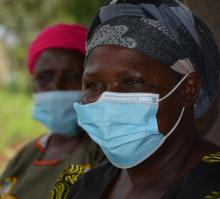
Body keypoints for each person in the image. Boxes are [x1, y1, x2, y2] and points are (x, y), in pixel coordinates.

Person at [62, 1, 220, 199]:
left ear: (188, 90)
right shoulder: (77, 185)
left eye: (133, 82)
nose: (108, 103)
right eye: (94, 85)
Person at [0, 24, 104, 199]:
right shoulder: (26, 155)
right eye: (44, 78)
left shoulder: (106, 154)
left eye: (72, 76)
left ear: (94, 82)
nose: (55, 87)